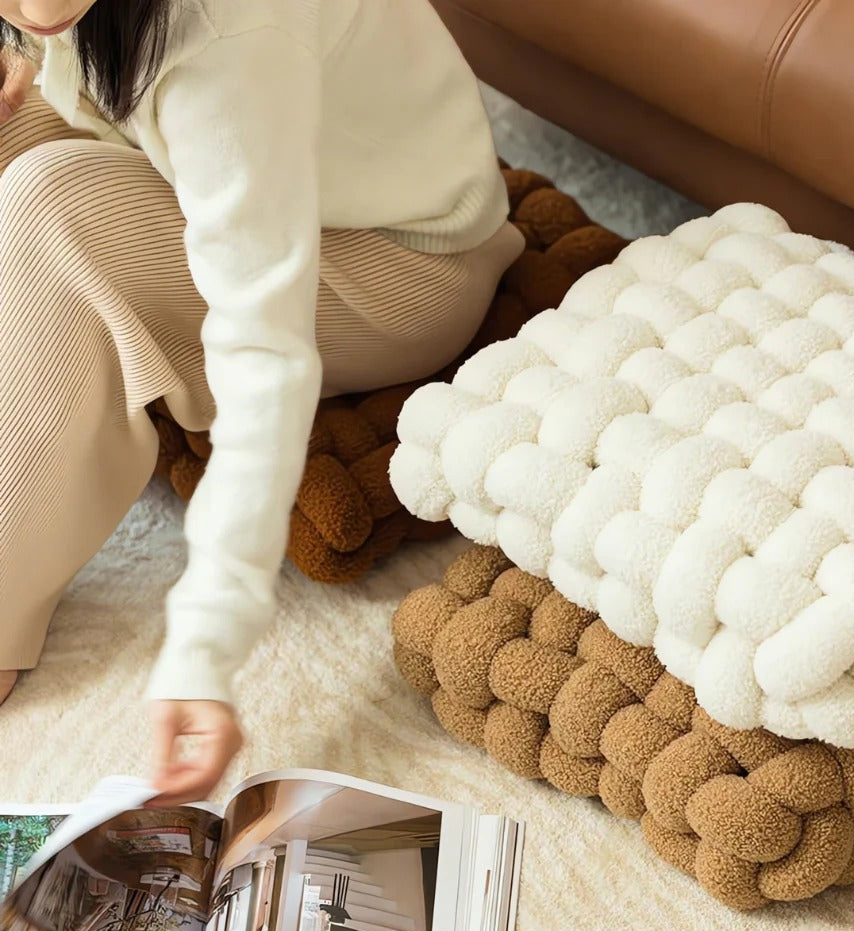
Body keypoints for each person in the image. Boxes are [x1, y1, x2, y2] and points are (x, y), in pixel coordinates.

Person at [0, 0, 523, 805]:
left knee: (47, 205)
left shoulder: (230, 32)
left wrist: (203, 651)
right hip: (201, 144)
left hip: (403, 266)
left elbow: (264, 358)